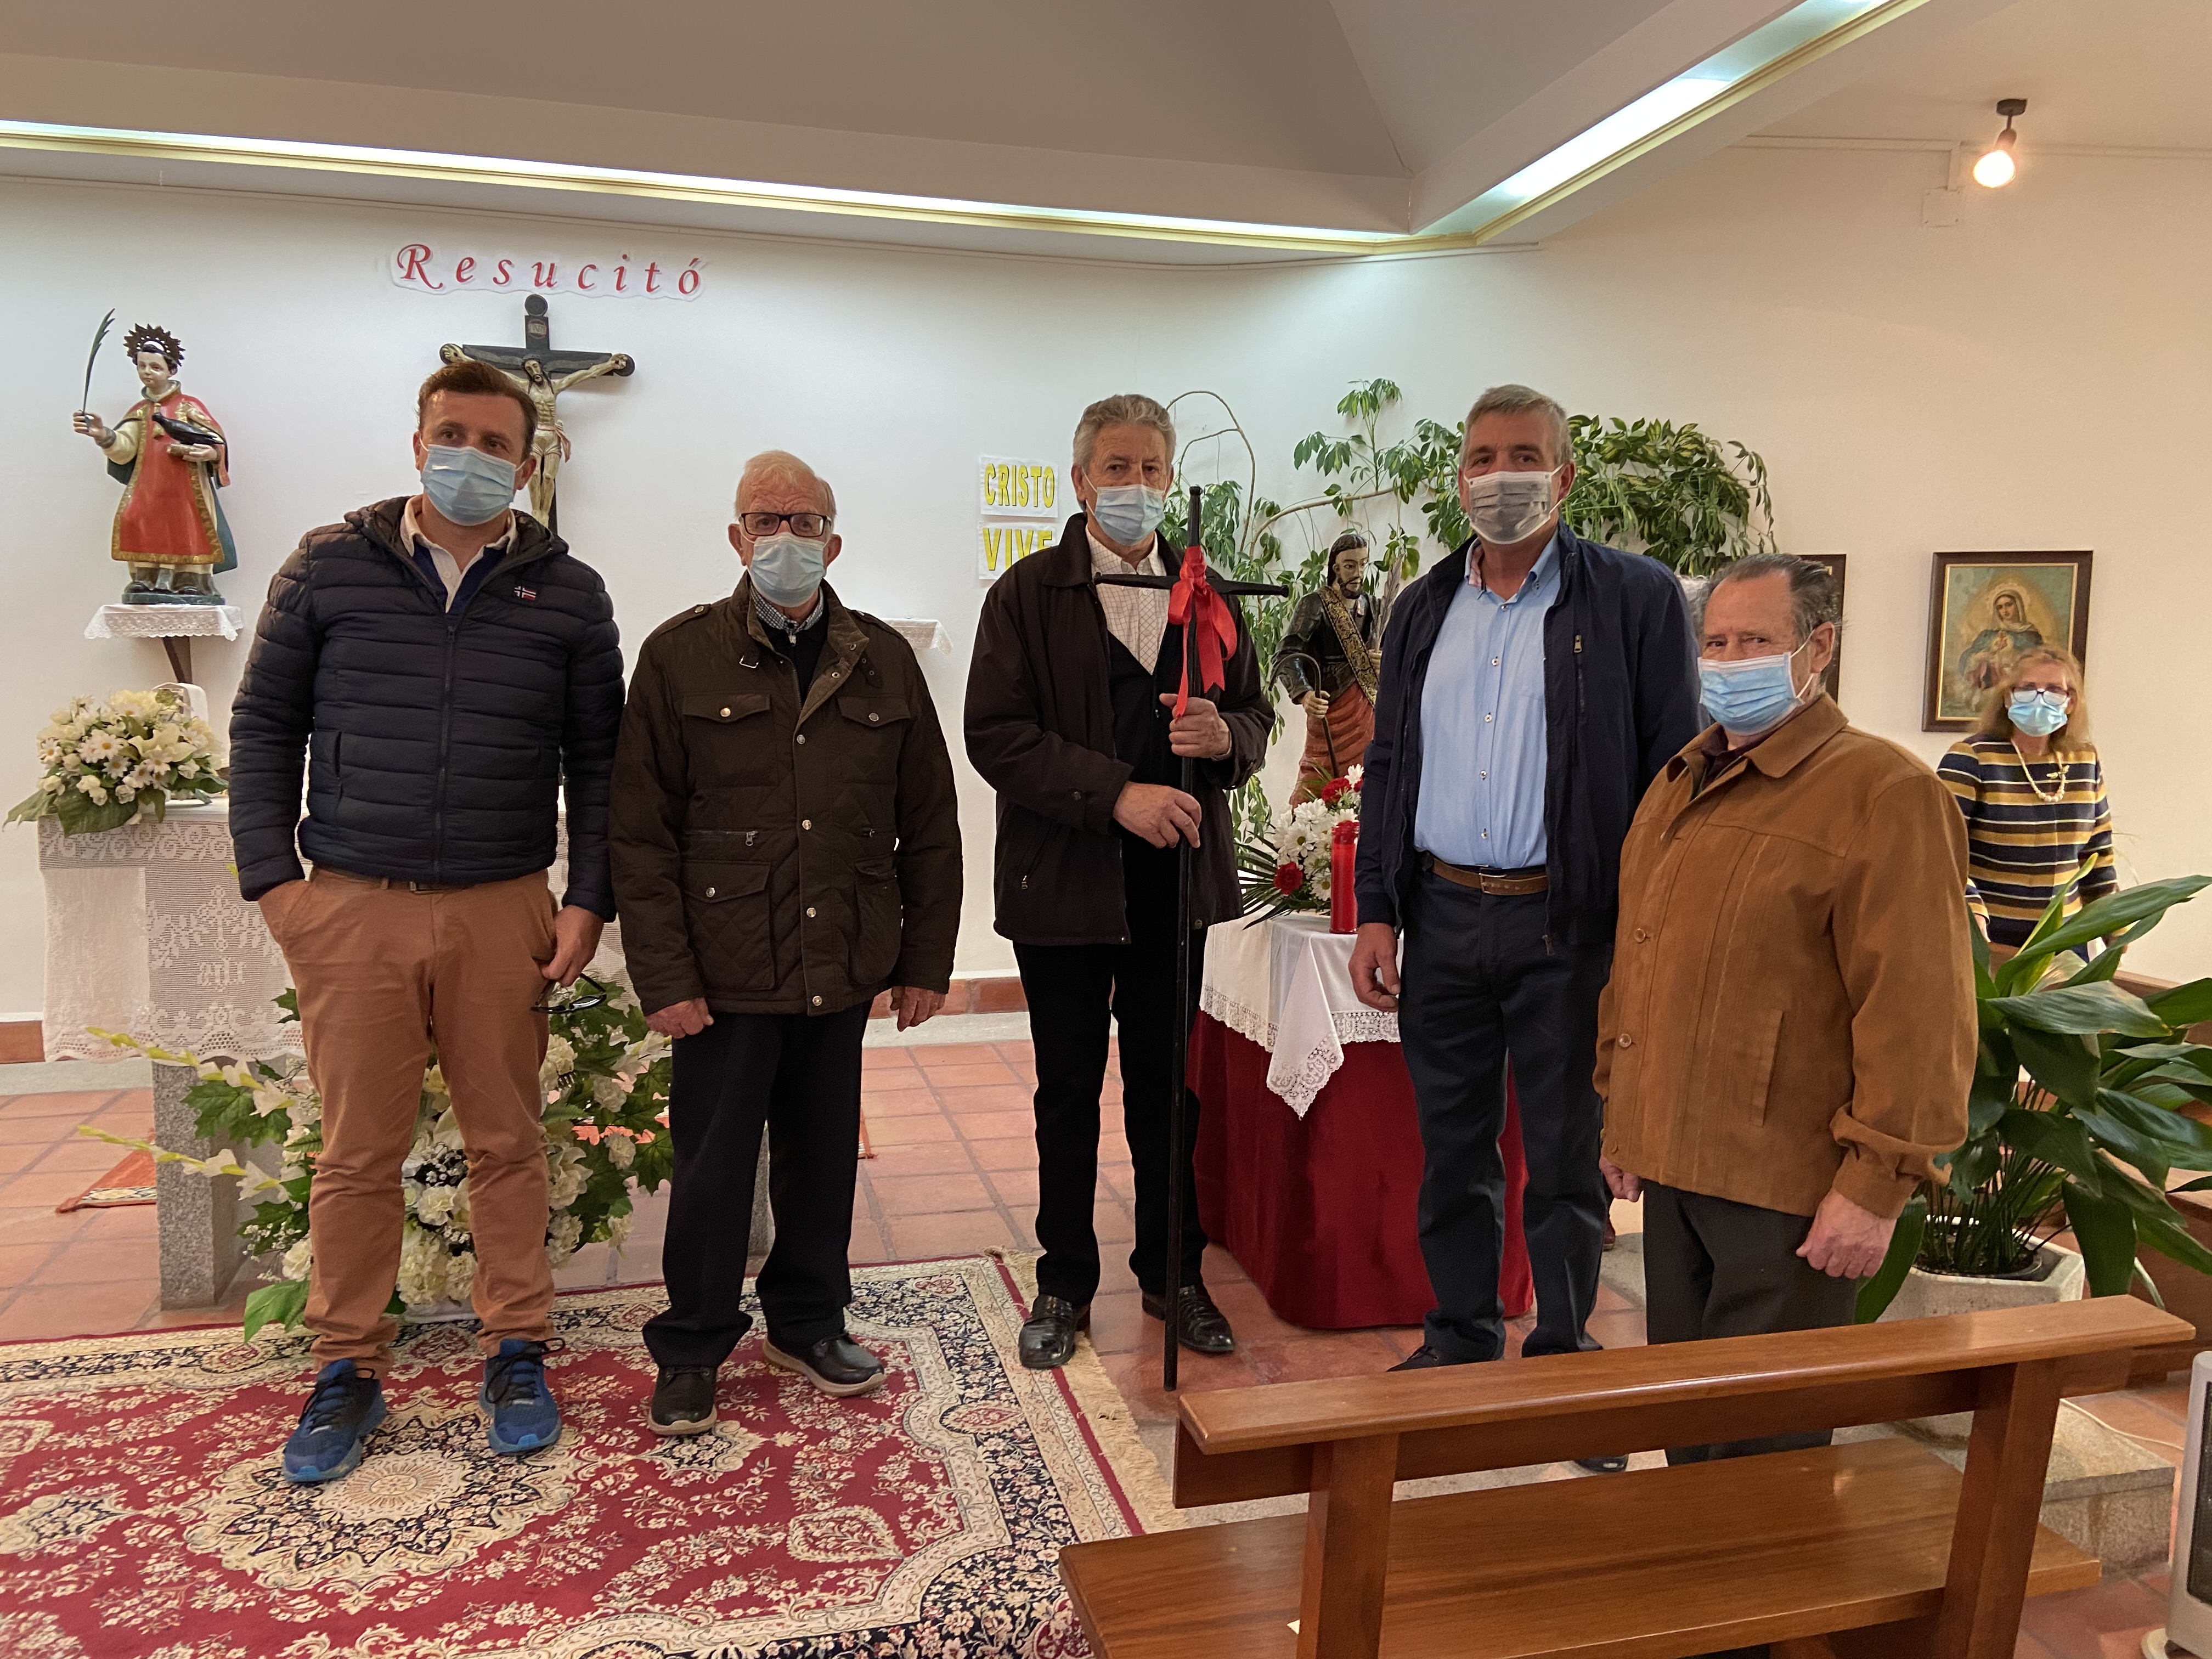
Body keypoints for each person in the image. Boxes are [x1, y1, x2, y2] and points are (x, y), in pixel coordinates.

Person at [230, 356, 624, 1483]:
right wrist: (278, 886)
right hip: (357, 904)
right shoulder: (328, 566)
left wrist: (587, 898)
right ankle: (347, 1364)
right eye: (454, 435)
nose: (472, 458)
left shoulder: (569, 591)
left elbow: (600, 761)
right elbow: (263, 729)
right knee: (357, 1152)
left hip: (503, 905)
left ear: (527, 463)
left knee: (509, 1141)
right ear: (418, 444)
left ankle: (517, 1349)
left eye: (496, 444)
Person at [1347, 383, 1700, 1428]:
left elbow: (1672, 770)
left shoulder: (1634, 598)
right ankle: (1459, 1336)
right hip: (1444, 912)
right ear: (1458, 478)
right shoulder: (1421, 606)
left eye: (1523, 455)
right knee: (1452, 1150)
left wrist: (1645, 929)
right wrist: (1377, 907)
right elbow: (1388, 761)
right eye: (1483, 457)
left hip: (1569, 922)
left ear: (1563, 475)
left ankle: (1564, 1358)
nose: (1501, 475)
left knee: (1562, 1156)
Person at [1599, 554, 1974, 1480]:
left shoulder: (1883, 792)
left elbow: (1920, 1010)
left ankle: (1750, 1587)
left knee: (1762, 1453)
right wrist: (1622, 1109)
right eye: (1717, 643)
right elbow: (1638, 958)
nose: (1730, 661)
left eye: (1755, 641)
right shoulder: (1679, 779)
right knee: (1688, 1427)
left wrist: (1877, 1182)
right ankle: (1698, 1576)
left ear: (1818, 646)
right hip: (1678, 1164)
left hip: (1790, 1188)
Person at [612, 450, 961, 1431]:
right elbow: (639, 831)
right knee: (714, 1166)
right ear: (737, 538)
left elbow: (929, 819)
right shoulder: (679, 655)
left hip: (840, 952)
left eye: (805, 522)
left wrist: (925, 960)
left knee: (821, 1157)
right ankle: (692, 1342)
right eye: (766, 521)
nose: (786, 539)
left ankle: (807, 1322)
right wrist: (664, 975)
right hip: (722, 965)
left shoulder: (883, 658)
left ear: (832, 542)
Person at [966, 393, 1273, 1370]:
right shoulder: (1026, 594)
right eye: (1115, 467)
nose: (1134, 485)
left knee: (1166, 1094)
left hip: (1174, 887)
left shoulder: (1208, 595)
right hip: (1061, 882)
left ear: (1170, 479)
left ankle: (1172, 1273)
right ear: (1080, 479)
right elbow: (995, 734)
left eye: (1150, 469)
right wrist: (1116, 795)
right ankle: (1064, 1281)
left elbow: (1256, 717)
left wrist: (1226, 737)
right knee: (1067, 1092)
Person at [1938, 646, 2115, 950]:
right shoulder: (1971, 757)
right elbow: (1940, 846)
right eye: (2028, 688)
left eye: (2054, 690)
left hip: (2065, 941)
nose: (2040, 698)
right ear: (2008, 697)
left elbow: (2098, 854)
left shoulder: (2085, 759)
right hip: (1989, 937)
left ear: (2071, 702)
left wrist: (2116, 926)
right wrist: (1971, 909)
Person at [71, 321, 238, 605]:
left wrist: (210, 454)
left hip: (186, 488)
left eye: (156, 367)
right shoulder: (140, 412)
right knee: (140, 522)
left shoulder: (188, 406)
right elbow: (125, 448)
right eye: (142, 366)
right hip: (149, 486)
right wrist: (103, 435)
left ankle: (190, 582)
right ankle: (147, 580)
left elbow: (215, 441)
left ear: (171, 370)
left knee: (187, 526)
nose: (147, 372)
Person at [1273, 530, 1386, 802]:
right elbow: (1287, 653)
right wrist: (1305, 694)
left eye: (1363, 565)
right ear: (1336, 568)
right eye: (1350, 566)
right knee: (1315, 784)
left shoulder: (1374, 606)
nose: (1358, 573)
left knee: (1365, 784)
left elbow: (1395, 652)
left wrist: (1385, 662)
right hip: (1329, 708)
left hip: (1367, 712)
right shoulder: (1315, 604)